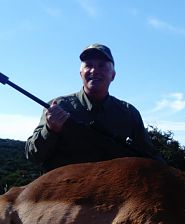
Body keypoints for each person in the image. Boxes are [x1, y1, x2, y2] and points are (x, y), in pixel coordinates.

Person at [25, 43, 164, 171]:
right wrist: (50, 129)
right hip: (63, 194)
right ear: (81, 74)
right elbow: (33, 155)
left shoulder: (129, 113)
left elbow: (151, 156)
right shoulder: (58, 106)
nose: (94, 70)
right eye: (88, 65)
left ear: (113, 75)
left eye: (102, 65)